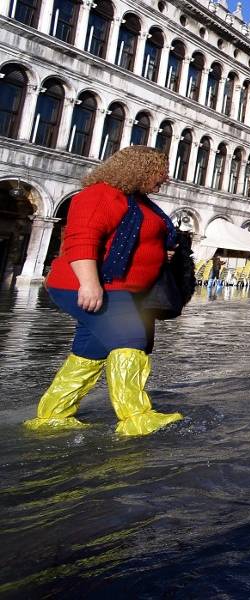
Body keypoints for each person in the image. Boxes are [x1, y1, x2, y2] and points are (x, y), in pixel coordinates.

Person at [25, 147, 183, 436]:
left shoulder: (139, 202)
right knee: (132, 340)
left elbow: (139, 241)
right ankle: (136, 417)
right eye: (160, 170)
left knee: (90, 353)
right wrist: (90, 283)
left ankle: (53, 413)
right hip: (91, 285)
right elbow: (81, 240)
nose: (165, 177)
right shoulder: (99, 195)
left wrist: (161, 253)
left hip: (121, 289)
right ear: (140, 169)